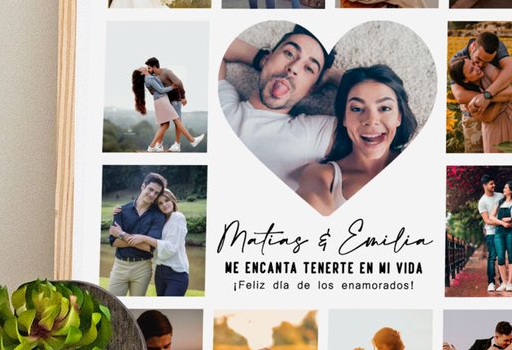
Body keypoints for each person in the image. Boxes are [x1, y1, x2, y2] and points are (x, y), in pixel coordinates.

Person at [217, 26, 336, 190]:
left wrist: (333, 76)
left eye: (309, 68)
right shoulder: (224, 104)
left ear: (311, 89)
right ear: (268, 57)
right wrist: (261, 59)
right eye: (289, 54)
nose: (293, 68)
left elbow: (369, 109)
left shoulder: (312, 133)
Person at [296, 64, 416, 215]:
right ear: (344, 119)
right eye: (357, 108)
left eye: (385, 108)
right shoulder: (321, 175)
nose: (371, 121)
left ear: (399, 117)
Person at [448, 31, 512, 152]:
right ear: (473, 47)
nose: (480, 66)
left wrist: (487, 97)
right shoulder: (457, 61)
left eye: (486, 61)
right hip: (475, 118)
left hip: (507, 116)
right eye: (478, 60)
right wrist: (500, 97)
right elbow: (461, 96)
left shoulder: (489, 60)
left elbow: (511, 73)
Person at [105, 172, 168, 296]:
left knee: (136, 305)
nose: (152, 195)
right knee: (113, 304)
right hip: (120, 266)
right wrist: (140, 240)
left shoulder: (158, 216)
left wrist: (122, 234)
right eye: (150, 189)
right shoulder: (121, 210)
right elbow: (114, 242)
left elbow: (149, 247)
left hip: (142, 268)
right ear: (143, 186)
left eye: (156, 193)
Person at [132, 59, 203, 152]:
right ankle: (192, 140)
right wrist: (172, 87)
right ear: (142, 73)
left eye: (148, 67)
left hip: (161, 100)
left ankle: (154, 145)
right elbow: (161, 90)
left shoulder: (150, 77)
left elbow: (155, 91)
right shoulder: (149, 79)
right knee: (176, 120)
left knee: (165, 124)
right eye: (140, 68)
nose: (143, 67)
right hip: (162, 101)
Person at [151, 187, 190, 296]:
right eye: (160, 203)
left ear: (172, 200)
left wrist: (145, 239)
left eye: (167, 200)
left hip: (176, 273)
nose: (164, 205)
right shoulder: (161, 220)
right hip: (160, 272)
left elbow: (170, 248)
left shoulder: (178, 217)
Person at [475, 176, 507, 292]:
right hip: (491, 232)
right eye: (491, 184)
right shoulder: (482, 202)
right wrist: (502, 223)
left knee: (502, 257)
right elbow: (487, 220)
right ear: (485, 185)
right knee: (492, 257)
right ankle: (491, 283)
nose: (494, 185)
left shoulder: (501, 196)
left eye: (494, 183)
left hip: (502, 231)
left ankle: (503, 281)